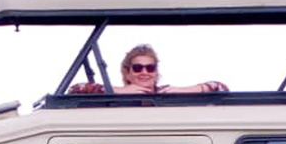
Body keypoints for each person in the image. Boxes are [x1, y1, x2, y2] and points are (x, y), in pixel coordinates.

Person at [67, 44, 228, 94]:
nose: (144, 72)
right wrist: (118, 91)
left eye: (150, 68)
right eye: (138, 68)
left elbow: (221, 88)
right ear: (127, 73)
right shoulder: (114, 96)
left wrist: (186, 90)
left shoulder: (165, 93)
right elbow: (74, 89)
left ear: (156, 73)